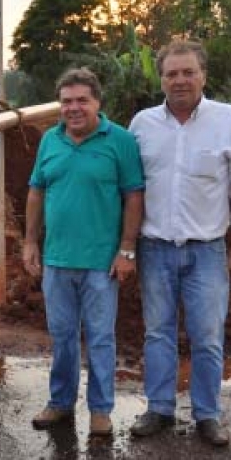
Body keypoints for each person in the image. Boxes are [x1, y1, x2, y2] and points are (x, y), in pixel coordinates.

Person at [128, 40, 231, 447]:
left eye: (188, 72)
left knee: (207, 335)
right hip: (154, 248)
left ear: (203, 75)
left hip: (207, 249)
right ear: (161, 79)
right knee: (158, 333)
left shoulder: (228, 120)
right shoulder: (142, 124)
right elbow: (131, 188)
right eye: (172, 73)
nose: (180, 80)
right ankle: (159, 408)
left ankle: (208, 414)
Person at [24, 68, 144, 437]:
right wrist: (30, 241)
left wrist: (127, 250)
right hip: (57, 261)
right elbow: (36, 192)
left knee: (100, 338)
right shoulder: (49, 141)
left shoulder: (120, 141)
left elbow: (134, 196)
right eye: (66, 101)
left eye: (81, 101)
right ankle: (60, 404)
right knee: (61, 337)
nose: (73, 108)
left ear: (97, 102)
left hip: (100, 264)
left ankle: (100, 410)